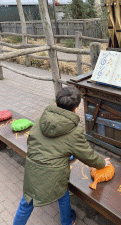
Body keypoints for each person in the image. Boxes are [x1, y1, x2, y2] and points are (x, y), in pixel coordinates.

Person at [13, 86, 111, 225]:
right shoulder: (74, 131)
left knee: (26, 202)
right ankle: (66, 221)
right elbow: (87, 155)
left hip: (33, 170)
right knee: (62, 193)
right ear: (76, 109)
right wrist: (101, 163)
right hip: (54, 174)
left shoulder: (41, 119)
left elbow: (31, 141)